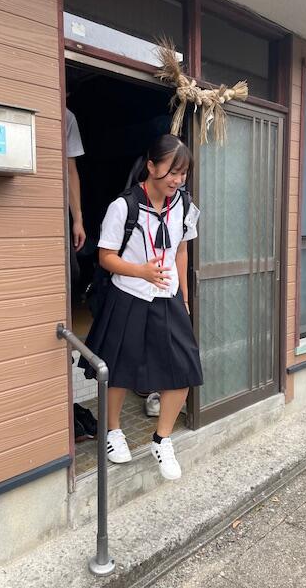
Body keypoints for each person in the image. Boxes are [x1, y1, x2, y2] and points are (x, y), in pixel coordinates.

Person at [79, 134, 203, 481]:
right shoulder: (124, 206)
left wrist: (185, 298)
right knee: (119, 368)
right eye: (172, 172)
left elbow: (181, 250)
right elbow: (106, 257)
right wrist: (141, 271)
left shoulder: (184, 205)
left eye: (183, 174)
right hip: (128, 294)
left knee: (185, 369)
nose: (177, 180)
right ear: (151, 166)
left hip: (168, 297)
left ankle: (161, 440)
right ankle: (113, 431)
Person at [66, 108, 86, 260]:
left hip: (56, 205)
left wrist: (78, 221)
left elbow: (70, 171)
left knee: (72, 267)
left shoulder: (67, 117)